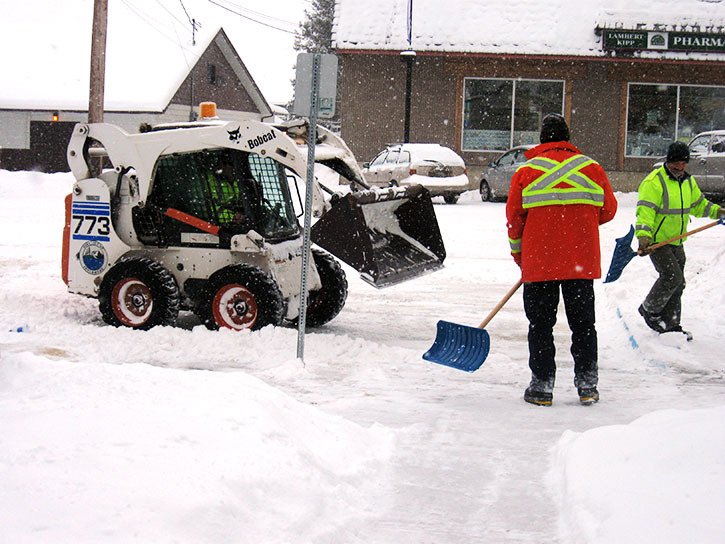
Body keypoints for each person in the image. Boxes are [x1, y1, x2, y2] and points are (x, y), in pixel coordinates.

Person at [506, 113, 618, 406]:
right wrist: (577, 226)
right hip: (581, 262)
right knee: (583, 326)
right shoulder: (592, 169)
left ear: (542, 138)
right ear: (568, 139)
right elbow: (608, 210)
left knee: (541, 326)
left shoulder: (526, 172)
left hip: (540, 263)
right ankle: (587, 385)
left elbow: (514, 220)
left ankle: (542, 387)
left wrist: (521, 256)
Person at [635, 141, 724, 338]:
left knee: (679, 282)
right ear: (668, 161)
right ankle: (649, 310)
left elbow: (699, 205)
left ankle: (672, 324)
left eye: (683, 163)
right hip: (658, 242)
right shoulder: (654, 182)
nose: (680, 166)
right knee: (672, 277)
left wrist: (718, 211)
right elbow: (645, 212)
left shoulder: (687, 181)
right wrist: (644, 237)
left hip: (677, 240)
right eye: (676, 162)